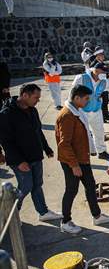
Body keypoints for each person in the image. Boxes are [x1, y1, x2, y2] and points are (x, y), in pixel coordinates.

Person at [55, 85, 109, 234]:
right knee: (71, 190)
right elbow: (64, 144)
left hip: (82, 158)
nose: (88, 101)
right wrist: (74, 165)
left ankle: (97, 215)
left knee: (90, 186)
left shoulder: (77, 111)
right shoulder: (67, 116)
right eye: (86, 99)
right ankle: (65, 221)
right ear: (76, 98)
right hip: (73, 161)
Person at [0, 84, 62, 221]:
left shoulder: (32, 110)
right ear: (25, 95)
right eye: (36, 97)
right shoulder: (6, 113)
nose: (38, 100)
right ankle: (10, 215)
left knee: (37, 184)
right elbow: (6, 141)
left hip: (35, 155)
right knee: (26, 186)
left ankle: (43, 212)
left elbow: (38, 131)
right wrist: (19, 161)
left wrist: (46, 148)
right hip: (20, 160)